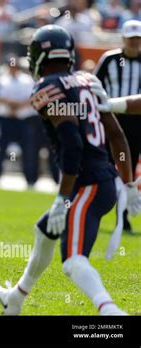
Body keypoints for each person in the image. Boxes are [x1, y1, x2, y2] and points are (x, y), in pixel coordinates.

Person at [0, 25, 141, 315]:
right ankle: (15, 299)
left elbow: (72, 146)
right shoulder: (88, 80)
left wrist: (61, 198)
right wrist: (129, 183)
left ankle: (111, 312)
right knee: (44, 231)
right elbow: (117, 136)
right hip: (101, 179)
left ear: (39, 55)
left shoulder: (47, 88)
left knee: (72, 261)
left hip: (87, 184)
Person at [93, 19, 141, 233]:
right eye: (131, 39)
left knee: (126, 169)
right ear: (123, 38)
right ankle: (93, 209)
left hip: (136, 122)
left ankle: (122, 216)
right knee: (103, 165)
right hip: (110, 119)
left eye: (138, 39)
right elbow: (95, 85)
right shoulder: (110, 59)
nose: (134, 43)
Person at [0, 55, 39, 188]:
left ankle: (30, 180)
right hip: (5, 118)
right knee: (0, 148)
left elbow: (32, 98)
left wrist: (16, 108)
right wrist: (11, 107)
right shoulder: (2, 79)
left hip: (23, 119)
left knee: (28, 149)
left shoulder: (27, 80)